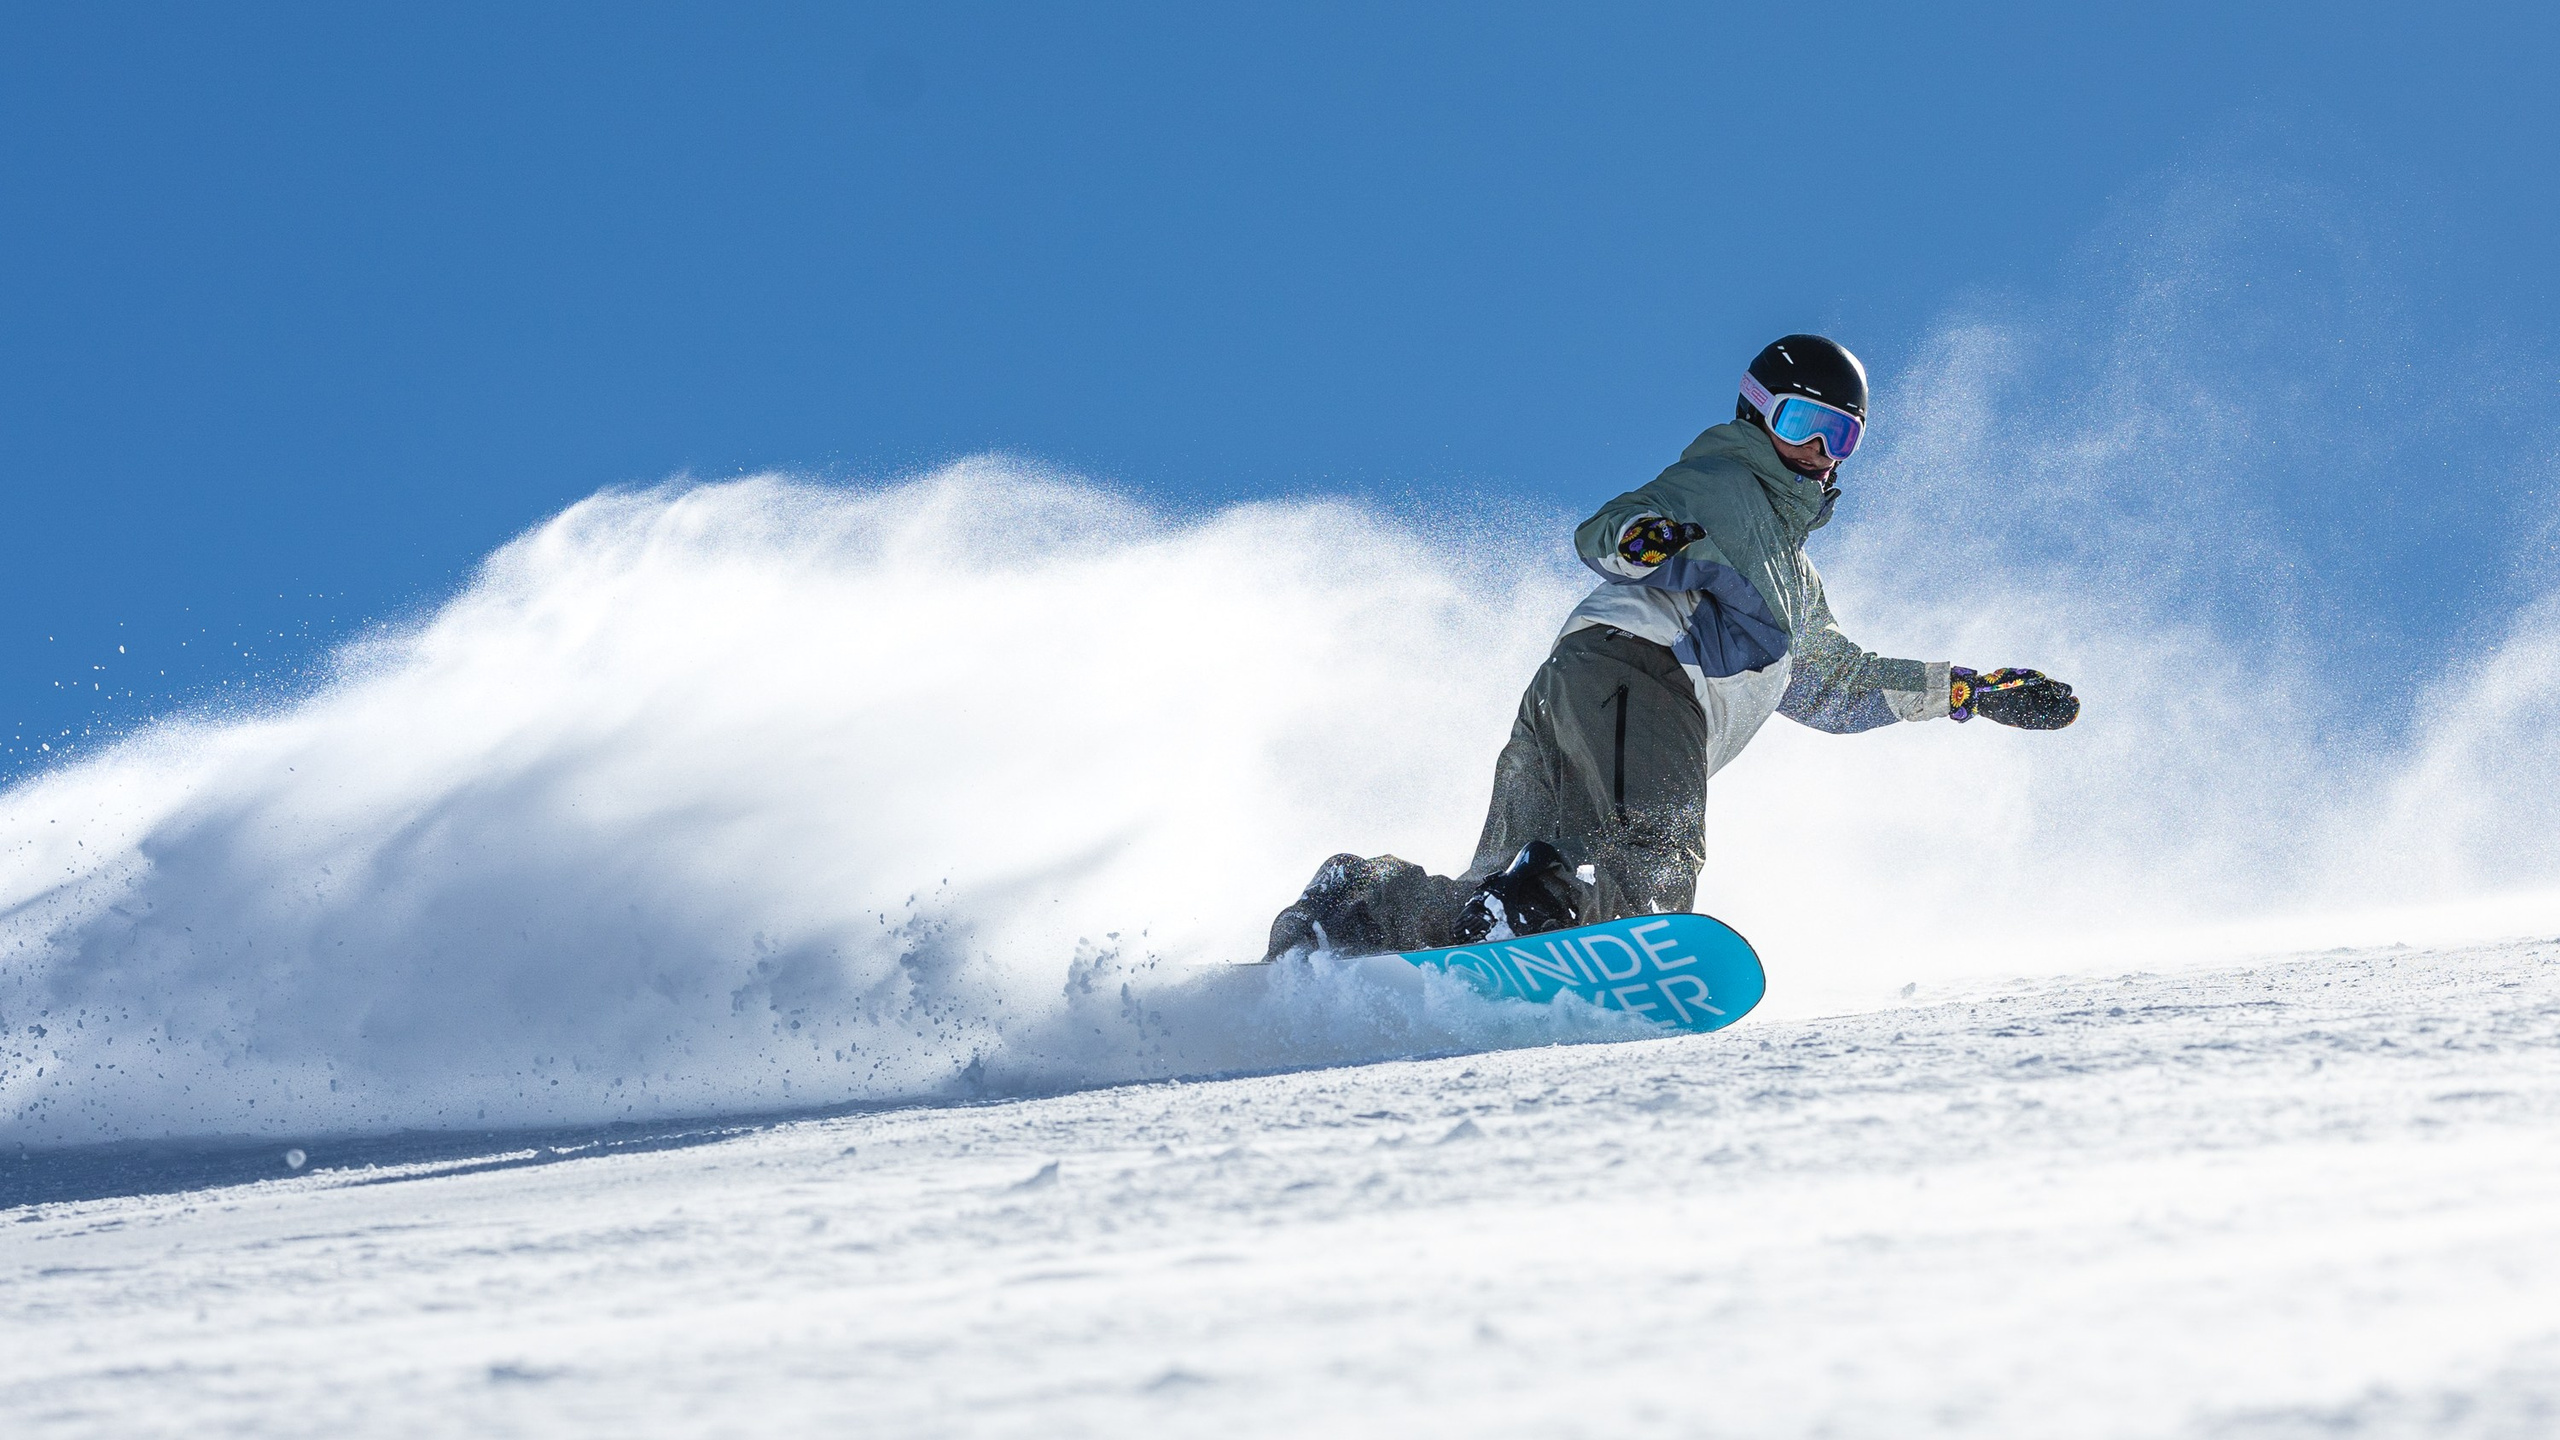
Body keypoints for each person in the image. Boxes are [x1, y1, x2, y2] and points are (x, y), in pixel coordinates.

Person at [1263, 334, 2079, 960]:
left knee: (1524, 896)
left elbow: (1840, 687)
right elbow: (1610, 527)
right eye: (1805, 424)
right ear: (1759, 414)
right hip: (1636, 678)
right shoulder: (1725, 482)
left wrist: (1968, 691)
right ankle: (1635, 949)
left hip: (1577, 699)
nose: (1821, 454)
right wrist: (1642, 539)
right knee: (1656, 843)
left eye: (1843, 437)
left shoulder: (1796, 583)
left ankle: (1357, 906)